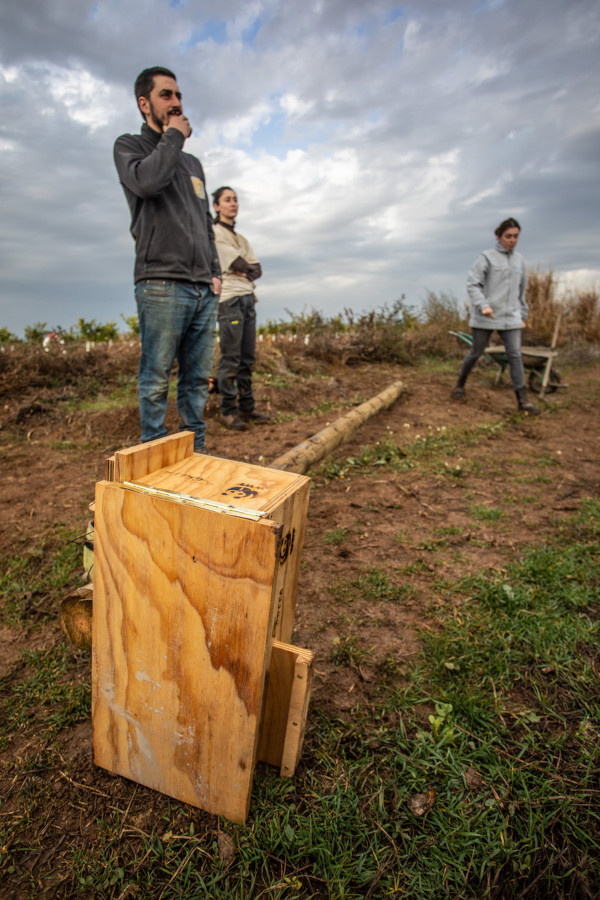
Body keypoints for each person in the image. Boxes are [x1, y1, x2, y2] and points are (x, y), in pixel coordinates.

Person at [114, 66, 222, 452]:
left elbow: (204, 221)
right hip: (161, 282)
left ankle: (197, 453)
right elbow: (148, 182)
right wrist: (173, 135)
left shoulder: (192, 165)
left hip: (202, 288)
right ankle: (155, 457)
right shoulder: (130, 147)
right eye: (165, 95)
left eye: (178, 95)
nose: (176, 103)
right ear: (144, 103)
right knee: (156, 377)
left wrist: (215, 272)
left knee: (196, 380)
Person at [452, 217, 540, 415]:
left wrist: (522, 314)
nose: (512, 240)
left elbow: (521, 290)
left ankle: (523, 401)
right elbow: (472, 284)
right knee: (476, 352)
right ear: (498, 236)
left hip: (511, 317)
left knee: (515, 355)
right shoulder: (487, 257)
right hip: (486, 316)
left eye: (516, 236)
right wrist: (483, 305)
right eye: (508, 236)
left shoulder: (519, 260)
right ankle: (460, 384)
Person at [212, 186, 271, 431]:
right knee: (231, 358)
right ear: (216, 206)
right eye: (227, 200)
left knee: (248, 356)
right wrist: (242, 266)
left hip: (248, 299)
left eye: (235, 199)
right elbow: (238, 263)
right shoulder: (215, 233)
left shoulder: (241, 239)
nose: (233, 204)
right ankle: (227, 410)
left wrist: (242, 268)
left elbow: (257, 269)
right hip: (230, 300)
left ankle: (247, 406)